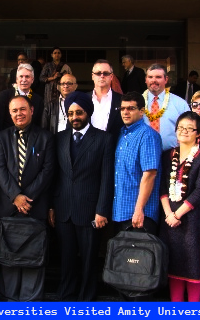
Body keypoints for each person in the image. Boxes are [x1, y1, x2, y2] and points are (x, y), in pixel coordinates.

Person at [50, 91, 113, 301]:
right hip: (64, 210)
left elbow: (106, 177)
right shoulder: (59, 138)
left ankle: (87, 299)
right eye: (70, 113)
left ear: (88, 112)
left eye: (79, 112)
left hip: (90, 211)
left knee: (88, 260)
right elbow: (55, 175)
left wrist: (102, 210)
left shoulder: (104, 139)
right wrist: (51, 206)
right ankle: (65, 297)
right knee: (66, 259)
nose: (74, 117)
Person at [0, 96, 55, 301]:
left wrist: (26, 198)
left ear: (32, 110)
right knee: (8, 260)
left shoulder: (46, 137)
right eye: (14, 111)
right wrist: (15, 196)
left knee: (33, 259)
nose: (18, 114)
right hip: (8, 209)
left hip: (34, 208)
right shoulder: (1, 137)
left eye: (22, 109)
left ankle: (31, 306)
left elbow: (47, 171)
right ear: (9, 113)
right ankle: (9, 305)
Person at [159, 111, 200, 302]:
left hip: (194, 221)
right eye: (180, 127)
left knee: (192, 266)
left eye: (189, 129)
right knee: (173, 266)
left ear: (198, 133)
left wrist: (178, 214)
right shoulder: (167, 156)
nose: (184, 131)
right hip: (169, 219)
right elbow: (162, 186)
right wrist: (168, 214)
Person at [113, 92, 162, 235]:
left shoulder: (148, 135)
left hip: (139, 215)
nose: (125, 112)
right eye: (122, 109)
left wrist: (139, 209)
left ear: (142, 111)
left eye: (131, 108)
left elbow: (150, 174)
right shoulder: (123, 134)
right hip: (121, 211)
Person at [143, 63, 190, 151]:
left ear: (166, 79)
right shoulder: (137, 103)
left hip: (171, 156)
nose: (154, 80)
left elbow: (189, 131)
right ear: (146, 79)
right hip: (143, 154)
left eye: (158, 77)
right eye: (150, 77)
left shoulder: (180, 104)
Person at [0, 63, 43, 130]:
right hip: (8, 138)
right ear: (16, 79)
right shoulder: (4, 96)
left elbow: (39, 124)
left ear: (32, 80)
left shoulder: (38, 100)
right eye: (21, 76)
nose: (24, 80)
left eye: (27, 77)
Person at [90, 59, 124, 142]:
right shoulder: (83, 99)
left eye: (105, 73)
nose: (102, 76)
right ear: (92, 76)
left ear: (111, 76)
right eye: (98, 73)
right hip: (87, 151)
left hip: (113, 149)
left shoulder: (122, 100)